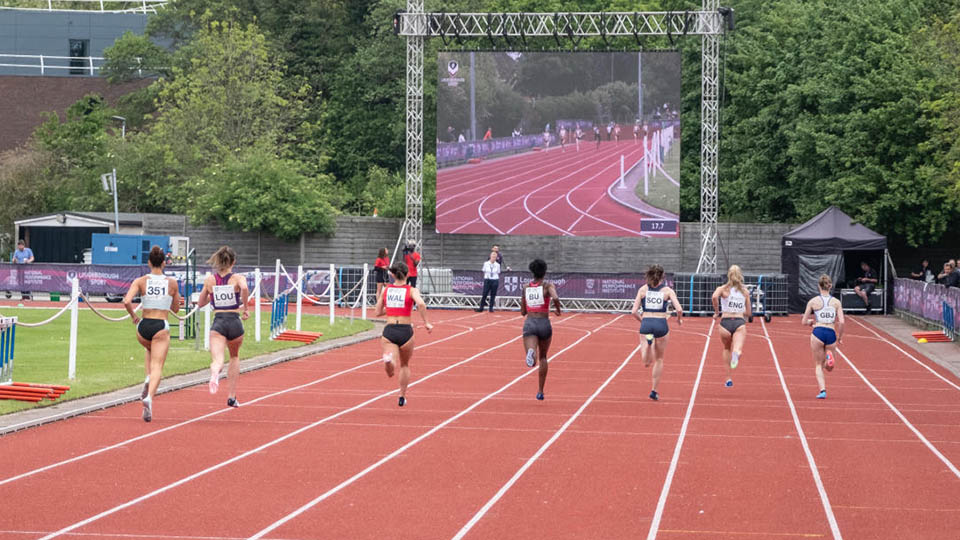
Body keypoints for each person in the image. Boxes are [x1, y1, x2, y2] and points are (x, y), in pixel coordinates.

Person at [122, 246, 181, 422]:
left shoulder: (140, 281)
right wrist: (172, 300)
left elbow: (126, 301)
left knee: (150, 349)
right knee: (158, 366)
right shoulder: (172, 283)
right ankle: (149, 397)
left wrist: (134, 316)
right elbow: (176, 309)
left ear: (149, 262)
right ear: (164, 263)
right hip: (160, 326)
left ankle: (148, 377)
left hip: (143, 327)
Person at [197, 246, 249, 408]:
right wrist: (246, 308)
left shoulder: (210, 280)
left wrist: (212, 296)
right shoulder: (238, 278)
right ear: (233, 262)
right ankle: (232, 396)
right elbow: (245, 288)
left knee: (218, 359)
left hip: (219, 322)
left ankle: (215, 372)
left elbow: (200, 303)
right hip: (234, 322)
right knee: (234, 356)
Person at [376, 261, 433, 406]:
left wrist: (391, 309)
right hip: (405, 331)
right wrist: (426, 323)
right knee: (405, 365)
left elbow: (377, 312)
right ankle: (402, 396)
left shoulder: (386, 290)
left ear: (393, 275)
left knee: (391, 369)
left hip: (390, 330)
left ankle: (389, 361)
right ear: (407, 275)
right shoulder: (412, 290)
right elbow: (421, 304)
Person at [631, 265, 683, 401]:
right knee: (659, 359)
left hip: (646, 322)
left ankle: (649, 345)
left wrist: (642, 321)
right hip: (661, 324)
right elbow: (679, 309)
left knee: (646, 362)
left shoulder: (643, 289)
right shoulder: (667, 291)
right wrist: (679, 320)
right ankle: (654, 390)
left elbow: (633, 311)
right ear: (662, 277)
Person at [520, 259, 562, 401]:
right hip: (544, 323)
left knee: (532, 358)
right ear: (544, 272)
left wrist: (528, 309)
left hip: (530, 322)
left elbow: (523, 312)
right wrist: (558, 310)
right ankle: (540, 391)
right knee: (543, 357)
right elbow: (555, 297)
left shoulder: (526, 287)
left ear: (532, 272)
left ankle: (531, 353)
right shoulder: (547, 286)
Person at [801, 275, 844, 399]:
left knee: (818, 364)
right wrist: (840, 337)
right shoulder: (836, 302)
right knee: (829, 368)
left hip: (818, 332)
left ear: (818, 286)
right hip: (831, 333)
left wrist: (809, 322)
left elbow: (803, 322)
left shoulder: (813, 301)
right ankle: (829, 359)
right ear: (830, 286)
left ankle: (822, 391)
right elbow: (841, 322)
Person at [711, 265, 752, 387]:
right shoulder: (745, 292)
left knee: (726, 348)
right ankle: (737, 353)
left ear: (728, 275)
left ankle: (728, 378)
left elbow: (714, 297)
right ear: (740, 276)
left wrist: (717, 312)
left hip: (725, 323)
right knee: (737, 349)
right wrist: (740, 310)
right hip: (739, 322)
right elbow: (749, 313)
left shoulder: (723, 289)